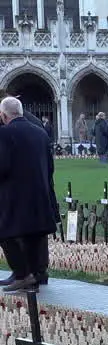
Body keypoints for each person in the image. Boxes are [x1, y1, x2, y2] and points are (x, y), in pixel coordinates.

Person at [0, 97, 57, 294]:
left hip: (14, 196)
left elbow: (3, 166)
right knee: (35, 235)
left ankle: (23, 275)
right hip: (40, 194)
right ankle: (35, 275)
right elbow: (50, 167)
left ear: (4, 115)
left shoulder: (5, 133)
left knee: (5, 233)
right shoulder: (40, 133)